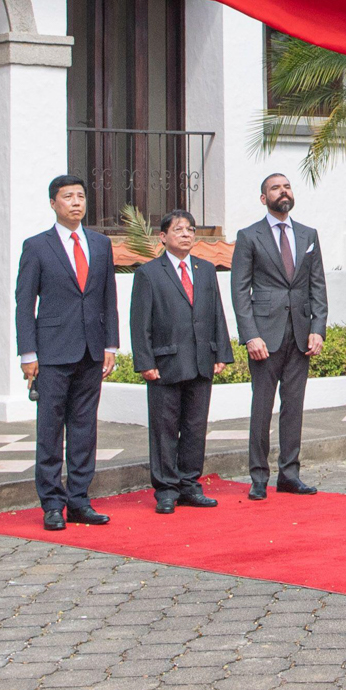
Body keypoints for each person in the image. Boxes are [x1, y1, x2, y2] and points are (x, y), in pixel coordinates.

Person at [16, 174, 119, 530]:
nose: (75, 202)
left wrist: (110, 344)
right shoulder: (37, 247)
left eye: (80, 196)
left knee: (84, 429)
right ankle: (51, 504)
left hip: (91, 351)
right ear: (53, 204)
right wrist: (27, 353)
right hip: (53, 352)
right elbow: (24, 303)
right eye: (67, 197)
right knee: (50, 429)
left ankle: (79, 500)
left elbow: (108, 298)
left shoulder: (101, 244)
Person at [231, 173, 327, 501]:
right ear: (263, 198)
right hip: (265, 335)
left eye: (286, 186)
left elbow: (318, 286)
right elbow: (240, 291)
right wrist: (250, 335)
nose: (283, 192)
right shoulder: (249, 236)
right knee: (262, 406)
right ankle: (258, 476)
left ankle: (290, 473)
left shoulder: (308, 234)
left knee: (294, 406)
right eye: (275, 188)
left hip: (300, 332)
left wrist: (318, 328)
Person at [131, 209, 233, 515]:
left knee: (194, 426)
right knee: (164, 428)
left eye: (190, 229)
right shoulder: (148, 273)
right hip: (165, 363)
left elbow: (217, 313)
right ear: (163, 237)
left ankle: (190, 484)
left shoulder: (205, 269)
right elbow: (140, 323)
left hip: (201, 360)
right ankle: (166, 488)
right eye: (179, 230)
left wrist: (221, 353)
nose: (186, 234)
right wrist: (145, 361)